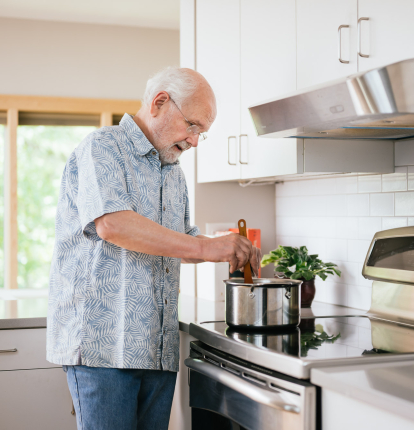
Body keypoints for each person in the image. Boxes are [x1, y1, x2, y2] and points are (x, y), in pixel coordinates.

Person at [46, 67, 261, 430]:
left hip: (155, 349)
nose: (194, 141)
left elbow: (180, 240)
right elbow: (114, 224)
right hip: (105, 349)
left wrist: (224, 246)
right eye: (192, 125)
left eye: (201, 134)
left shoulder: (172, 171)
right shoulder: (103, 147)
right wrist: (204, 248)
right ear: (160, 102)